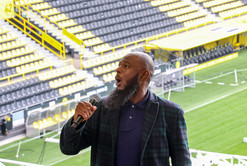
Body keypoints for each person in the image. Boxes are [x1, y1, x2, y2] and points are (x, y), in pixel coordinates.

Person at [60, 52, 191, 166]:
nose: (118, 69)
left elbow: (182, 161)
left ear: (144, 74)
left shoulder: (171, 113)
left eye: (126, 66)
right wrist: (75, 122)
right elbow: (68, 148)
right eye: (119, 65)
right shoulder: (101, 109)